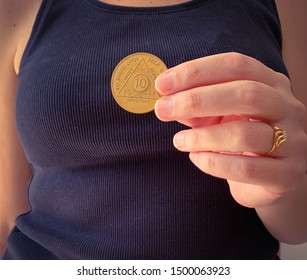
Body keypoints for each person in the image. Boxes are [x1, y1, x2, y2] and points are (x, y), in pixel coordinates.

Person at [1, 0, 307, 260]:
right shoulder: (15, 8)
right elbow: (7, 214)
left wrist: (275, 186)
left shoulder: (288, 6)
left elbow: (299, 222)